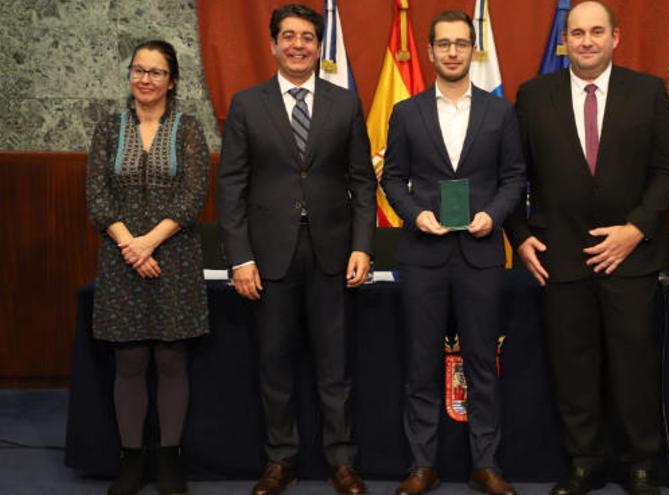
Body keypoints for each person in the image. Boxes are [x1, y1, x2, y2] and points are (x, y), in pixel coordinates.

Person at [505, 2, 669, 494]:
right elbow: (512, 176)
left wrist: (635, 230)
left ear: (615, 37)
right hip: (560, 258)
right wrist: (519, 238)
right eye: (576, 32)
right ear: (565, 40)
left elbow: (667, 171)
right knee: (573, 367)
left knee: (634, 367)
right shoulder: (534, 95)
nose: (586, 41)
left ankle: (641, 463)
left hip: (631, 257)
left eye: (596, 32)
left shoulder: (647, 92)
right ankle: (584, 461)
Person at [216, 4, 376, 495]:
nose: (298, 45)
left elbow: (362, 183)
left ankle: (342, 461)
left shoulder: (344, 103)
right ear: (273, 44)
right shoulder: (246, 104)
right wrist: (240, 257)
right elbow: (232, 187)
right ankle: (280, 460)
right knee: (275, 364)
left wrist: (363, 247)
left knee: (335, 367)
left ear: (318, 46)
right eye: (289, 36)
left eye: (308, 37)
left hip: (332, 253)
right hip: (268, 258)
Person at [381, 9, 526, 495]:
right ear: (429, 51)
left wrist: (495, 214)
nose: (452, 52)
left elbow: (513, 179)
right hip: (423, 254)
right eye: (443, 44)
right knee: (420, 364)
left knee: (483, 364)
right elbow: (391, 178)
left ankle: (485, 463)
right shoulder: (407, 112)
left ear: (472, 49)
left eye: (461, 44)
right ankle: (422, 464)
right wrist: (413, 213)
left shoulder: (500, 112)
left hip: (481, 254)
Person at [86, 39, 209, 495]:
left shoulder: (188, 129)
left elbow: (193, 196)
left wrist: (150, 242)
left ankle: (170, 459)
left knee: (172, 359)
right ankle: (132, 461)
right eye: (139, 70)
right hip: (122, 260)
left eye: (156, 72)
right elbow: (96, 197)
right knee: (131, 360)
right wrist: (129, 246)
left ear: (171, 81)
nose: (145, 79)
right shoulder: (107, 128)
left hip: (174, 256)